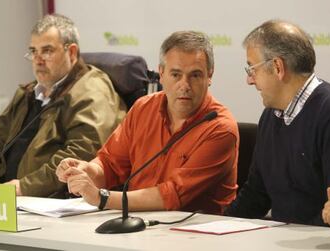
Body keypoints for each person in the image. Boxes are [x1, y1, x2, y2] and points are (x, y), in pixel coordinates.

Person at [56, 31, 239, 214]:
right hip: (138, 223)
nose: (185, 85)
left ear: (210, 76)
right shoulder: (144, 108)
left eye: (195, 75)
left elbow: (173, 194)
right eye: (176, 75)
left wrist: (102, 198)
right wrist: (87, 172)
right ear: (161, 73)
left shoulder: (221, 128)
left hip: (195, 232)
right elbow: (110, 164)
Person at [0, 14, 126, 197]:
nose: (38, 60)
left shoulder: (93, 92)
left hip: (49, 201)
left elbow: (80, 155)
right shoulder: (27, 93)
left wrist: (24, 187)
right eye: (33, 51)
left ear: (72, 52)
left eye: (47, 51)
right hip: (7, 195)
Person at [224, 20, 330, 225]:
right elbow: (256, 195)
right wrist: (214, 228)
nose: (250, 80)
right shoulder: (271, 115)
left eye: (251, 70)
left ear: (277, 67)